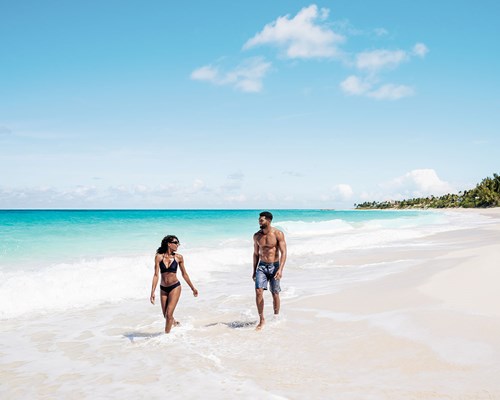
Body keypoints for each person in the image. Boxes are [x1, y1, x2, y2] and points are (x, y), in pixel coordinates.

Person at [150, 235, 198, 333]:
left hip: (175, 287)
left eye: (178, 243)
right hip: (163, 288)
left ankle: (166, 336)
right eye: (176, 243)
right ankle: (175, 323)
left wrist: (193, 288)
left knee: (168, 314)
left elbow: (184, 274)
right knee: (166, 315)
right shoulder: (159, 257)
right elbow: (156, 275)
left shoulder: (179, 257)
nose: (178, 245)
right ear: (169, 244)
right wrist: (152, 292)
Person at [253, 211, 287, 330]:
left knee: (275, 293)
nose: (259, 222)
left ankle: (276, 317)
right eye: (259, 220)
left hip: (275, 266)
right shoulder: (257, 236)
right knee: (258, 291)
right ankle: (261, 319)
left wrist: (280, 269)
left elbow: (283, 252)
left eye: (261, 220)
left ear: (268, 220)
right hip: (261, 267)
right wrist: (254, 271)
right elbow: (256, 254)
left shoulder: (278, 234)